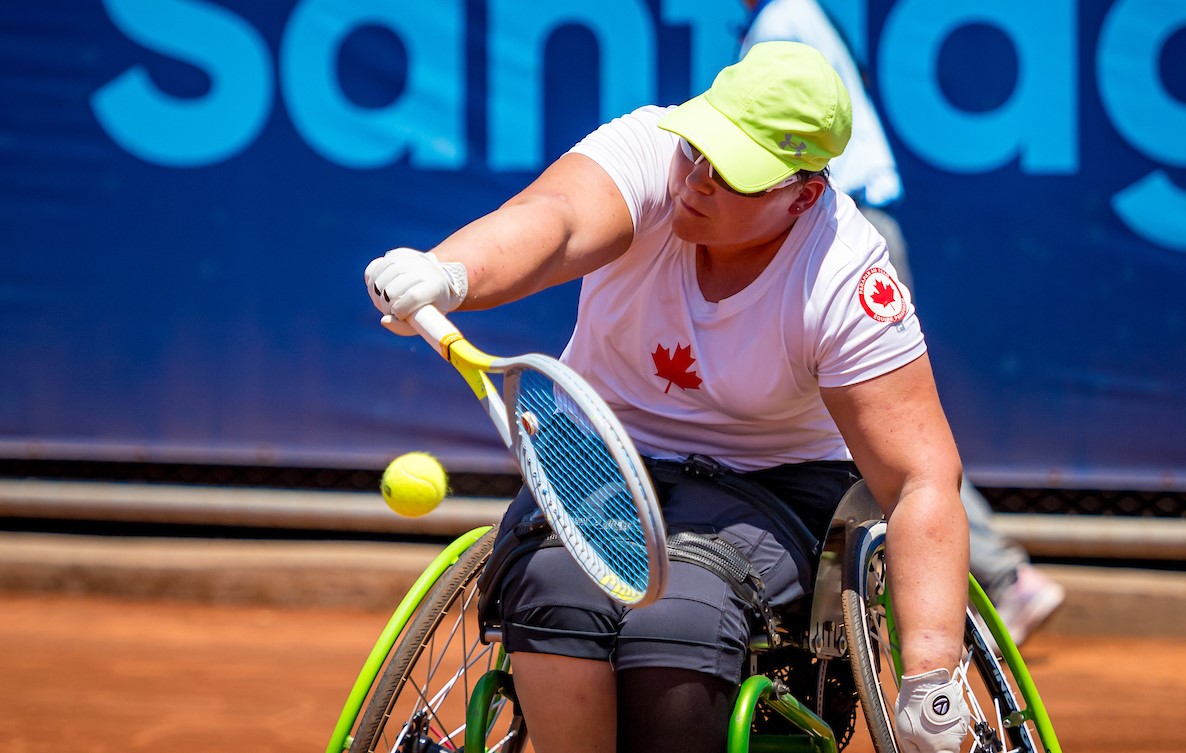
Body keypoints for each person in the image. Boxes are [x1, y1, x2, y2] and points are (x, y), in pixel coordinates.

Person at [367, 42, 970, 753]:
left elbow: (920, 478)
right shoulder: (652, 153)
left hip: (770, 488)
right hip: (598, 457)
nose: (700, 180)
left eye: (735, 174)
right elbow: (555, 219)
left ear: (802, 195)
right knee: (554, 588)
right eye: (700, 150)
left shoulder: (844, 279)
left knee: (682, 616)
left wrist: (930, 674)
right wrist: (449, 273)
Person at [739, 0, 1065, 645]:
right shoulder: (795, 16)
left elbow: (776, 164)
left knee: (881, 429)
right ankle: (999, 579)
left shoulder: (781, 23)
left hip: (832, 236)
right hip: (844, 227)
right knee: (879, 428)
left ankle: (1000, 579)